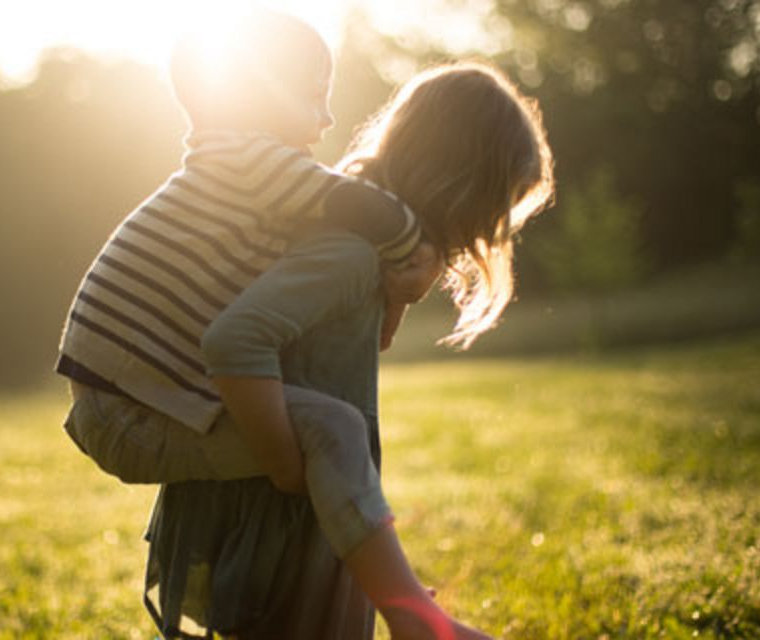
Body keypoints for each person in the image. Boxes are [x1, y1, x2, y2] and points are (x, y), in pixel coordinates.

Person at [56, 10, 487, 638]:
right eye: (316, 97)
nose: (330, 121)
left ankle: (386, 588)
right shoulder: (248, 161)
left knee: (326, 431)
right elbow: (363, 207)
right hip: (129, 411)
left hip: (124, 403)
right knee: (332, 429)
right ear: (257, 95)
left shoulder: (234, 173)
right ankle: (408, 614)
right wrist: (413, 259)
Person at [142, 61, 555, 639]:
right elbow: (238, 340)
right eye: (496, 204)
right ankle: (419, 623)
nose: (489, 230)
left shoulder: (367, 250)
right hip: (279, 505)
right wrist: (288, 465)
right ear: (457, 182)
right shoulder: (349, 254)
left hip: (316, 504)